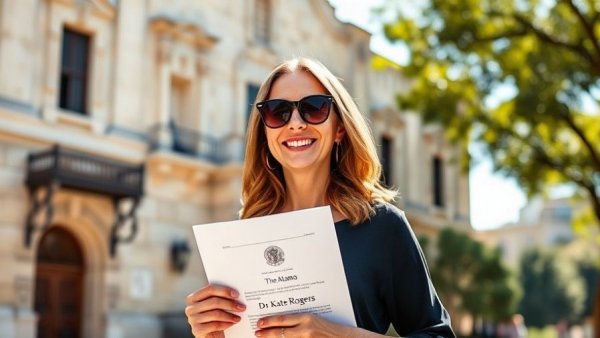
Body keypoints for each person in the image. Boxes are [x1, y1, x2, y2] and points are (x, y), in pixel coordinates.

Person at [185, 57, 455, 337]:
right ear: (265, 132)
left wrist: (340, 334)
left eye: (314, 108)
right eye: (279, 112)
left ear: (339, 128)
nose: (296, 123)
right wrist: (211, 331)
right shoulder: (246, 235)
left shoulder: (382, 226)